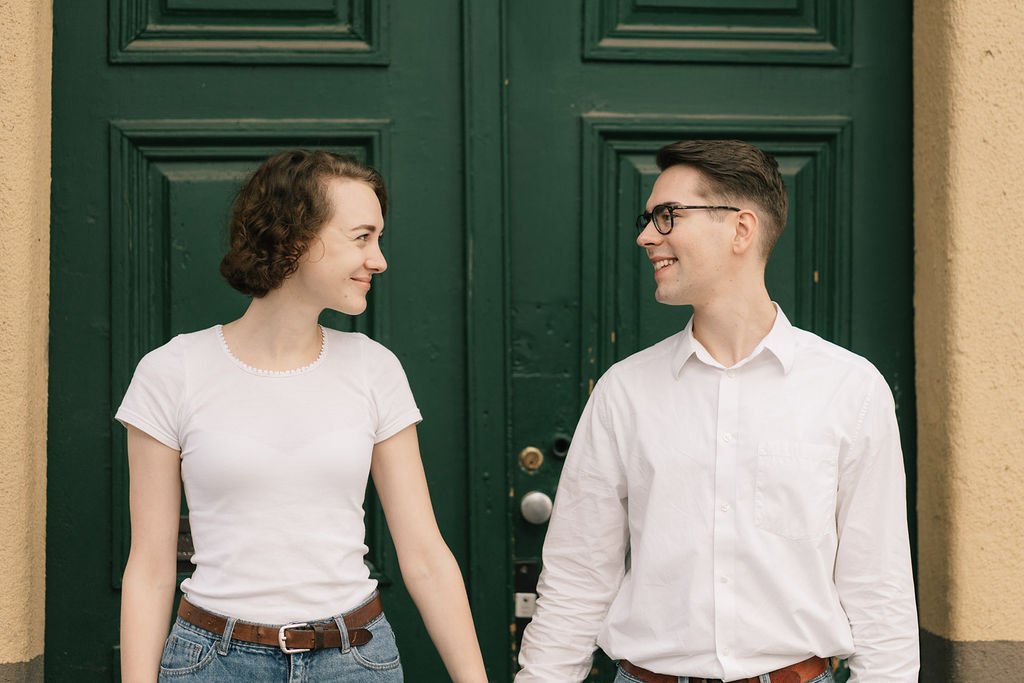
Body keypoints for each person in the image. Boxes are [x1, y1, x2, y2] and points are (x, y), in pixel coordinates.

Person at [516, 140, 919, 683]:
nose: (645, 236)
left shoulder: (849, 388)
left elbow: (880, 587)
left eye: (666, 216)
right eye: (648, 218)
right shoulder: (625, 392)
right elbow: (576, 578)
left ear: (741, 228)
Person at [116, 150, 488, 682]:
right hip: (212, 661)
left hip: (354, 658)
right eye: (362, 238)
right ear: (292, 238)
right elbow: (150, 570)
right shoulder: (172, 370)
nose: (378, 259)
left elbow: (426, 554)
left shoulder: (373, 368)